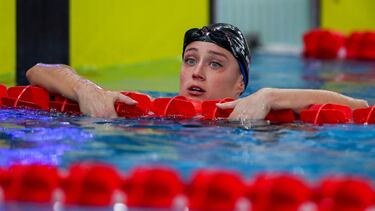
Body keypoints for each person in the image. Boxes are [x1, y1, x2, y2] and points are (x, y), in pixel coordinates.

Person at [26, 23, 369, 119]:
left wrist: (272, 95)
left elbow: (359, 109)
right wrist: (87, 88)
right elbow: (38, 71)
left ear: (240, 85)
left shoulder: (262, 117)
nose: (197, 72)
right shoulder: (144, 111)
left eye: (215, 63)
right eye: (190, 60)